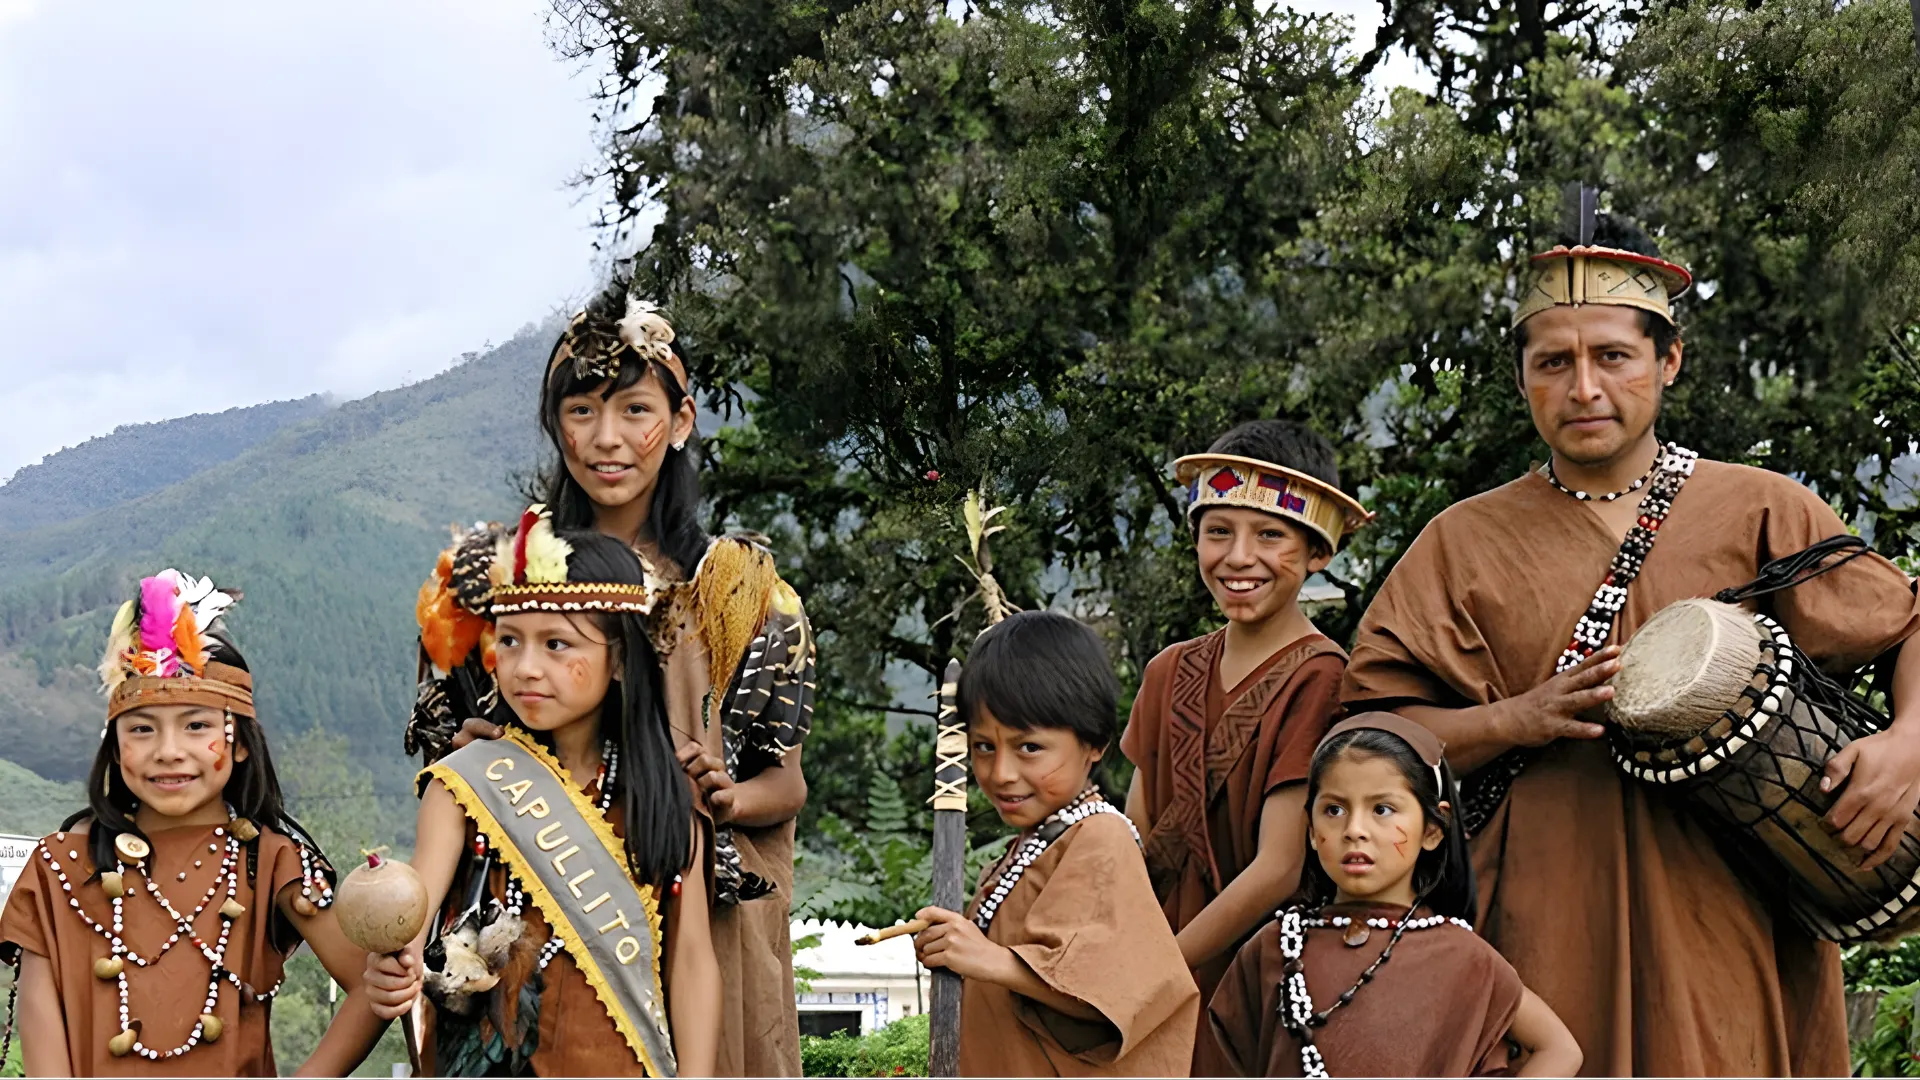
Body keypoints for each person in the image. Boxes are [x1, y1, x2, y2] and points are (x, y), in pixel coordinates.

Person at [1343, 211, 1920, 1075]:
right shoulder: (1459, 543)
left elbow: (1904, 625)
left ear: (1667, 361)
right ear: (1523, 378)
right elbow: (1370, 740)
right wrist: (1514, 719)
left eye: (1612, 355)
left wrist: (1909, 740)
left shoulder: (1761, 508)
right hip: (1532, 933)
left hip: (1733, 919)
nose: (1584, 388)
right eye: (1554, 362)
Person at [432, 286, 815, 1076]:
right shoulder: (495, 577)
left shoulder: (743, 595)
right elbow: (447, 753)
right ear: (553, 422)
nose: (608, 440)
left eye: (636, 411)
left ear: (680, 422)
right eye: (581, 412)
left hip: (690, 900)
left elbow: (786, 783)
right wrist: (481, 748)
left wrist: (722, 798)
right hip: (531, 901)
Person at [364, 510, 720, 1077]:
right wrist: (391, 961)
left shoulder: (666, 795)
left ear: (622, 656)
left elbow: (693, 960)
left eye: (557, 643)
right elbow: (411, 923)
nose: (526, 667)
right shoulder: (464, 785)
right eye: (509, 640)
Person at [0, 569, 389, 1076]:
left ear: (242, 742)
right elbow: (41, 1037)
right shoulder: (57, 868)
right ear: (114, 749)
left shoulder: (271, 860)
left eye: (197, 726)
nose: (168, 751)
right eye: (141, 729)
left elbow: (372, 985)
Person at [1120, 419, 1370, 1074]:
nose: (1237, 558)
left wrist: (1160, 967)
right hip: (1153, 968)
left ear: (1318, 550)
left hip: (1260, 977)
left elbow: (1279, 867)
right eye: (1218, 531)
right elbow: (1139, 837)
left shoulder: (1322, 678)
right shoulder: (1167, 671)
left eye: (1270, 536)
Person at [1209, 714, 1582, 1077]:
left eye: (1382, 809)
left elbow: (1561, 1049)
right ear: (1310, 830)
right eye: (1334, 810)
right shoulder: (1273, 948)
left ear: (1432, 830)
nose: (1354, 830)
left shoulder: (1464, 957)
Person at [914, 611, 1199, 1077]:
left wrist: (989, 960)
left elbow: (1110, 988)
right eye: (984, 746)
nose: (1001, 772)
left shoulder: (1101, 835)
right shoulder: (1036, 844)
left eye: (1029, 748)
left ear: (1094, 743)